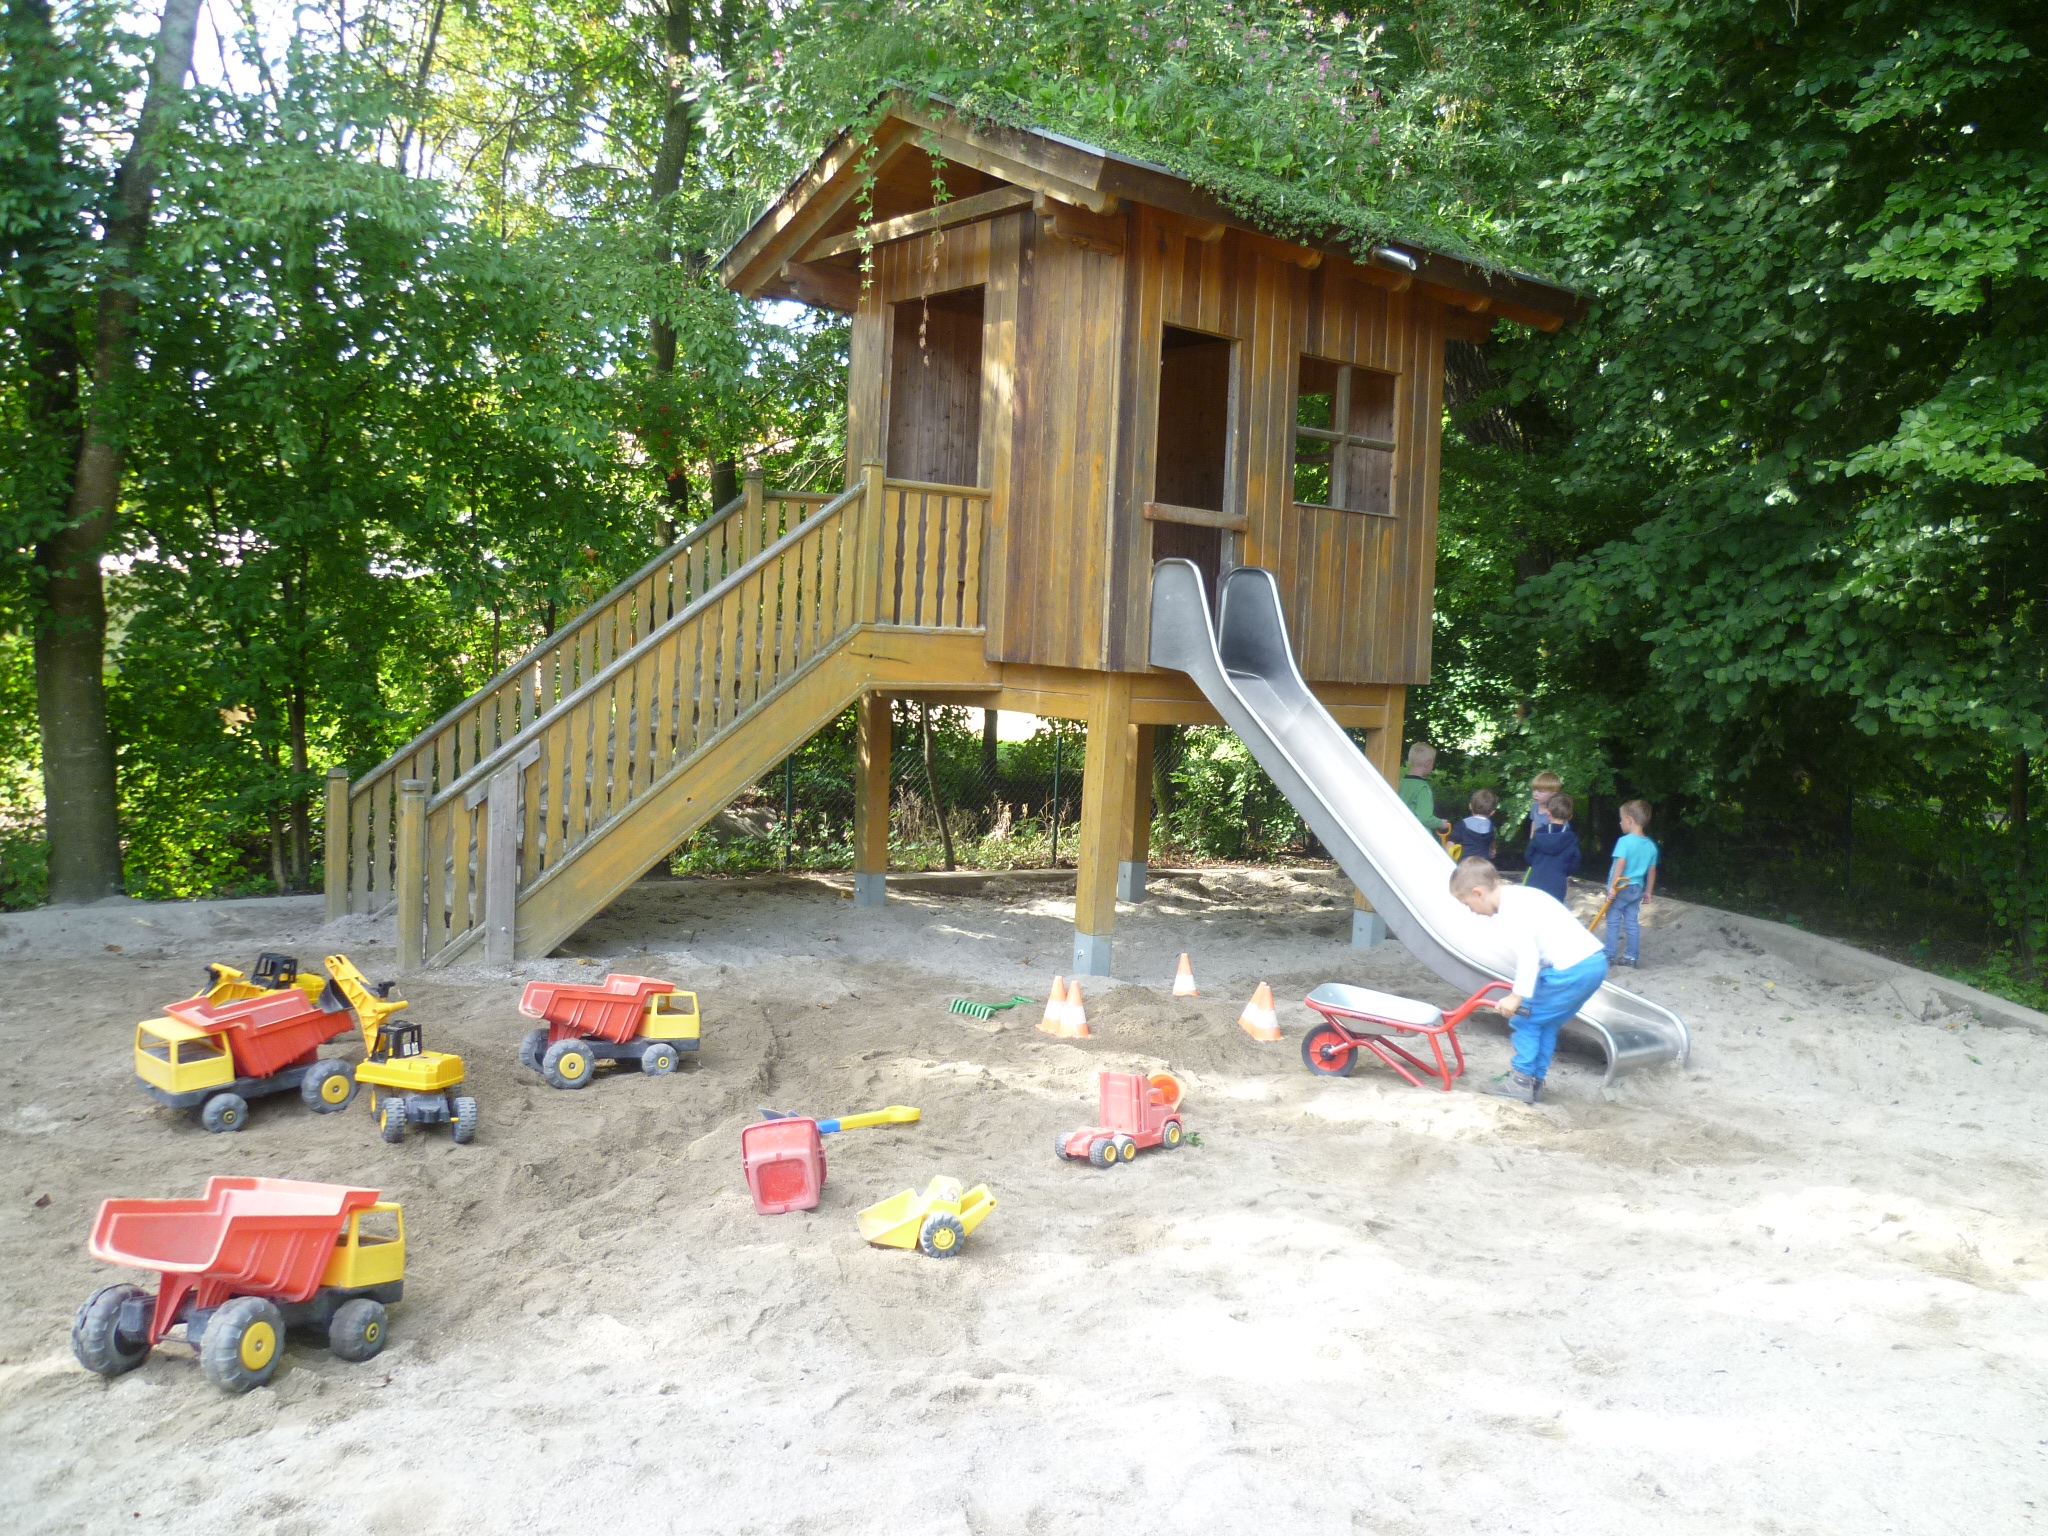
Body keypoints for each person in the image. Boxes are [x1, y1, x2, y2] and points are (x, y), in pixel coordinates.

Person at [1449, 857, 1607, 1104]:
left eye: (1468, 905)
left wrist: (1516, 996)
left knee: (1526, 1019)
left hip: (1571, 969)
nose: (1472, 911)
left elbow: (1529, 955)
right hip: (1592, 964)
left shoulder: (1512, 909)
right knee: (1545, 1024)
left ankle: (1521, 1080)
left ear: (1478, 893)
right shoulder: (1521, 895)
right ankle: (1533, 1081)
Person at [1604, 799, 1659, 969]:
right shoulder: (1651, 846)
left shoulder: (1625, 842)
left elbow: (1620, 864)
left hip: (1621, 887)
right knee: (1632, 922)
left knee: (1613, 919)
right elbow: (1651, 871)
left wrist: (1612, 887)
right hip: (1637, 889)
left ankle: (1609, 955)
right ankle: (1631, 957)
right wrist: (1648, 892)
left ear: (1629, 819)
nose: (1620, 823)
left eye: (1621, 819)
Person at [1524, 790, 1581, 901]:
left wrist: (1538, 863)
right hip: (1557, 883)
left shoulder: (1539, 833)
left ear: (1548, 813)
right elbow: (1575, 863)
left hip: (1535, 881)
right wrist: (1564, 869)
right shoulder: (1571, 838)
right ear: (1570, 816)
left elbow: (1528, 855)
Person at [1400, 743, 1447, 835]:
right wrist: (1440, 823)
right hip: (1418, 837)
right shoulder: (1422, 787)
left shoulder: (1401, 782)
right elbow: (1425, 817)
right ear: (1428, 762)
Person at [1452, 788, 1499, 862]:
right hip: (1484, 865)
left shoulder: (1461, 824)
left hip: (1465, 864)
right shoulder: (1490, 826)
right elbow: (1492, 848)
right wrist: (1492, 850)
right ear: (1492, 812)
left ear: (1470, 806)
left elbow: (1450, 846)